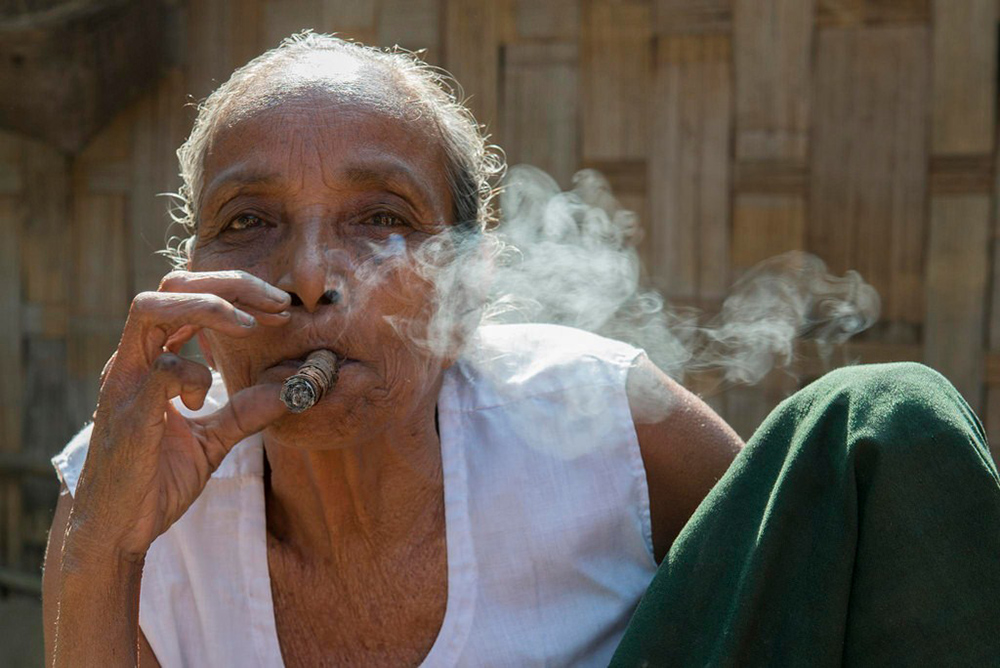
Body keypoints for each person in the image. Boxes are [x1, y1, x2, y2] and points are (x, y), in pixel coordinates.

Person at [42, 32, 1000, 668]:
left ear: (470, 285)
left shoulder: (596, 417)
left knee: (884, 416)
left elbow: (784, 604)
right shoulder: (131, 486)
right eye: (247, 220)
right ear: (192, 277)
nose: (306, 274)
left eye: (381, 217)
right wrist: (105, 550)